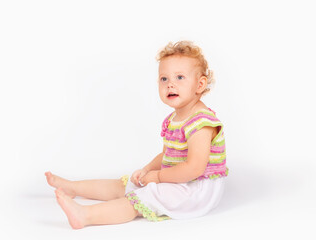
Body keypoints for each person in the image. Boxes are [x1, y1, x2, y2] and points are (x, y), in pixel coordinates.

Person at [45, 40, 228, 229]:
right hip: (177, 178)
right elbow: (168, 155)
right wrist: (148, 169)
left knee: (143, 197)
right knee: (125, 185)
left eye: (180, 77)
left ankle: (86, 215)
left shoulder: (201, 121)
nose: (170, 84)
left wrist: (157, 178)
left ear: (200, 84)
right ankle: (72, 187)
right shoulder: (174, 118)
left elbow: (194, 168)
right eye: (164, 79)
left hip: (196, 189)